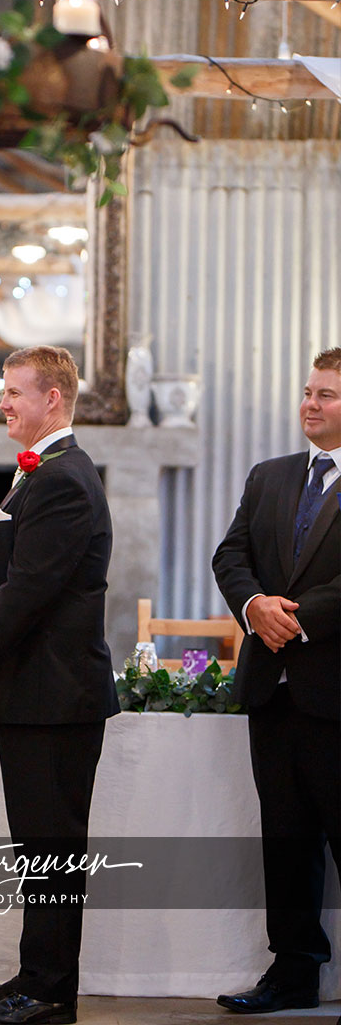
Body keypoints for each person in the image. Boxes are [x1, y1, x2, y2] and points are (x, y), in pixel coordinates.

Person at [0, 345, 119, 1025]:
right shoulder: (45, 473)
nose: (3, 403)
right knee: (40, 847)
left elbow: (27, 591)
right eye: (4, 391)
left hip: (56, 696)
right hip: (39, 695)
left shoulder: (64, 478)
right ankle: (38, 977)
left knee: (53, 847)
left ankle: (47, 994)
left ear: (53, 400)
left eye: (14, 391)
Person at [212, 347, 341, 1015]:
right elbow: (229, 555)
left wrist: (292, 619)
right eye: (308, 392)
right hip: (273, 693)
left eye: (326, 395)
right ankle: (291, 974)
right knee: (285, 841)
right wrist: (253, 607)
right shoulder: (269, 476)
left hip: (335, 691)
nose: (310, 404)